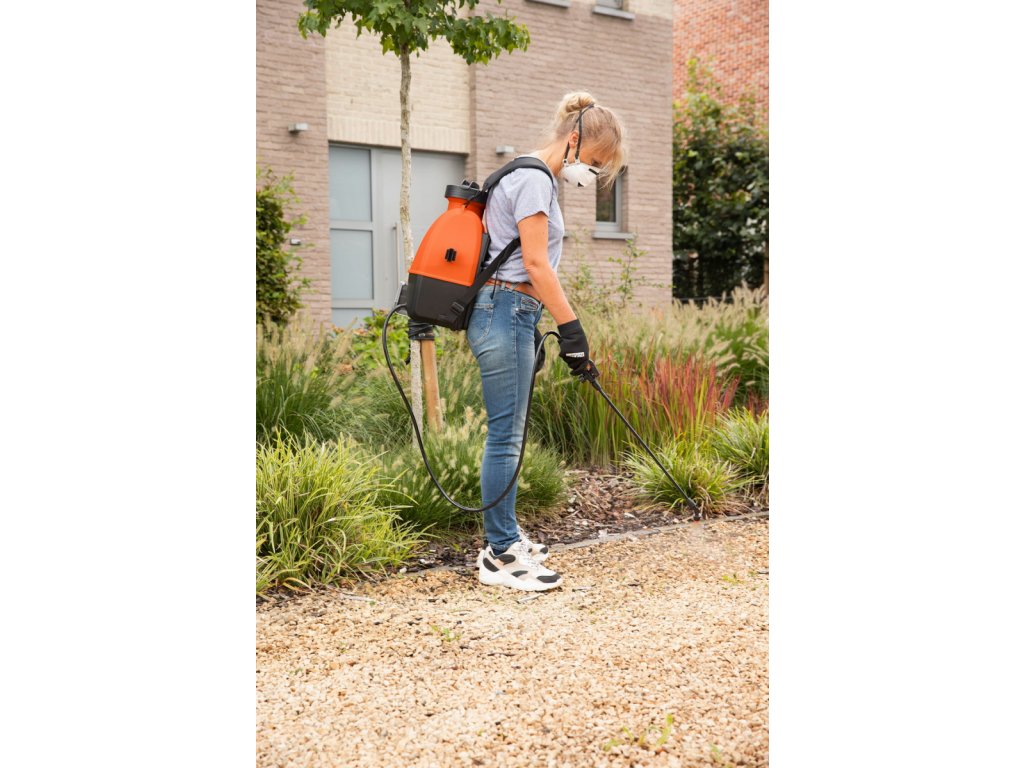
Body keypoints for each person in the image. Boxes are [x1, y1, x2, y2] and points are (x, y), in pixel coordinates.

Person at [471, 91, 628, 592]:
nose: (593, 174)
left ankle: (508, 536)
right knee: (506, 436)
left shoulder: (526, 173)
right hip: (506, 309)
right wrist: (572, 330)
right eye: (595, 162)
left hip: (509, 311)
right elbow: (536, 264)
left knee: (509, 432)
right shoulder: (536, 179)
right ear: (574, 139)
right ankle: (500, 555)